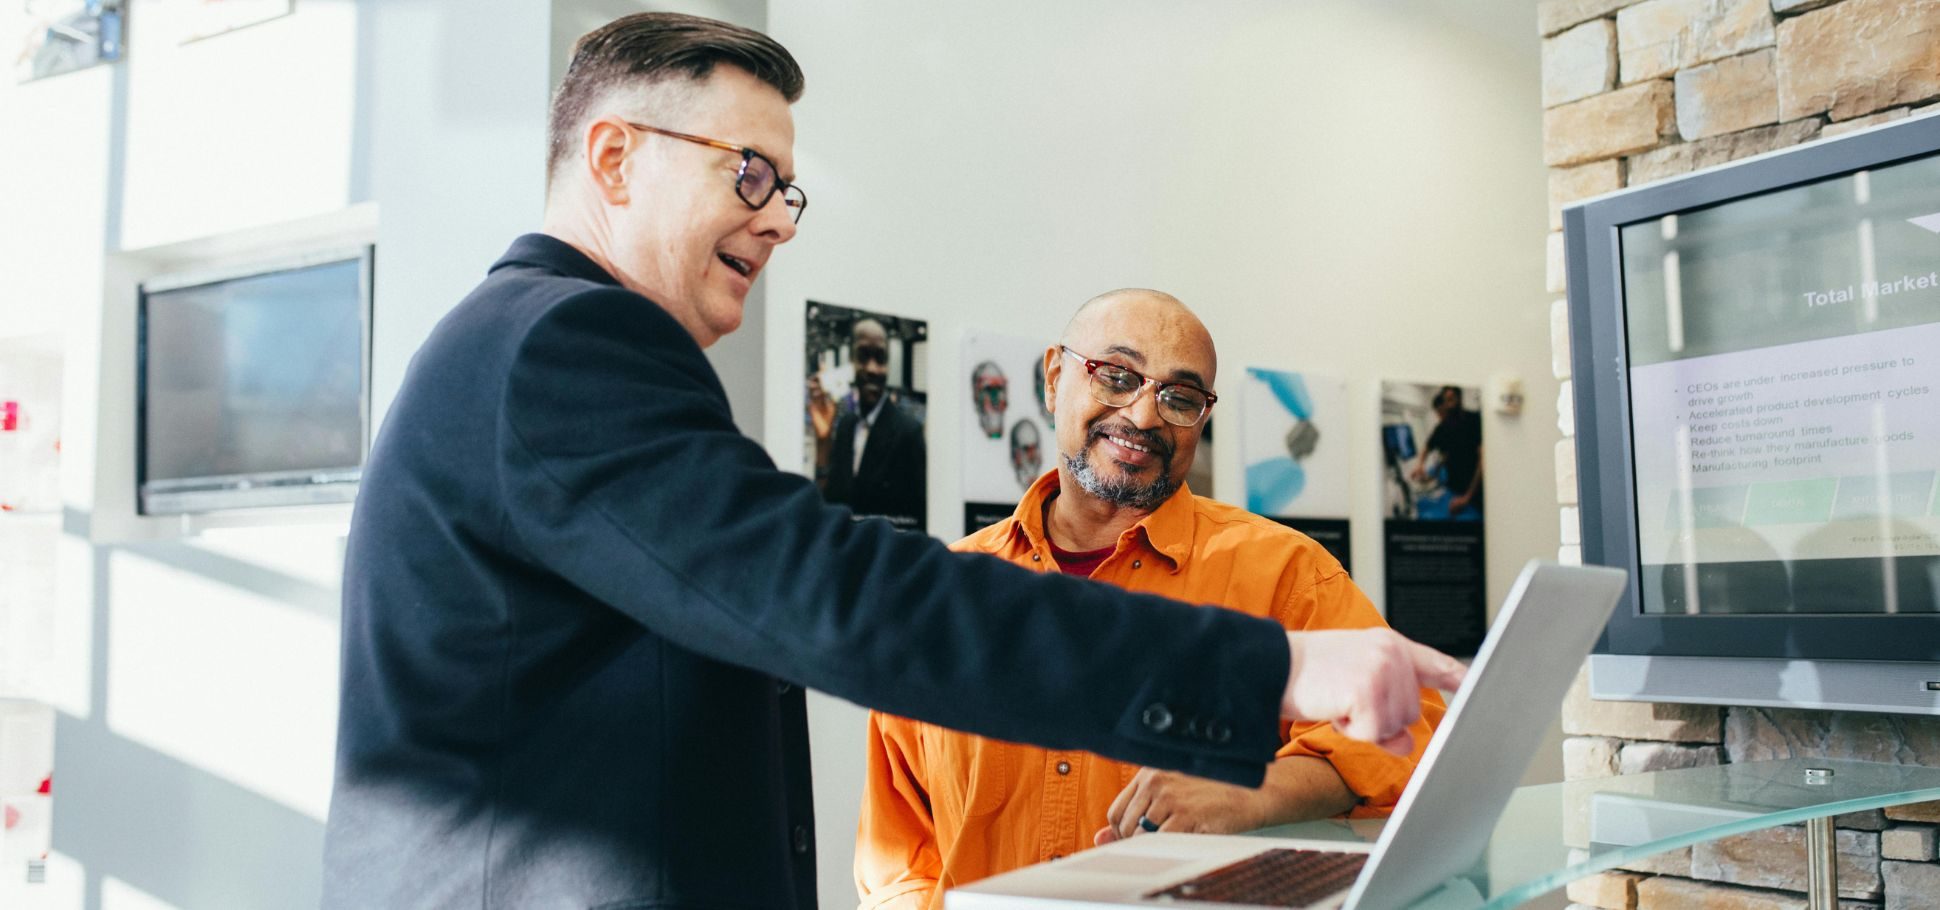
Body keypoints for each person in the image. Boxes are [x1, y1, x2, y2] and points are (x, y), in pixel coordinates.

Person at [322, 13, 1465, 910]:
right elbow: (835, 596)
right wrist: (1263, 671)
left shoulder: (527, 344)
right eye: (749, 173)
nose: (778, 219)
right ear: (614, 158)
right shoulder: (564, 342)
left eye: (787, 187)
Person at [855, 291, 1449, 909]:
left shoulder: (1285, 573)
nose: (1143, 416)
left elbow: (1410, 742)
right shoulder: (945, 594)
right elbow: (899, 856)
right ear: (1056, 377)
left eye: (1180, 396)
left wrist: (1253, 790)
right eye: (1117, 377)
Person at [812, 317, 927, 529]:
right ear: (851, 361)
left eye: (880, 359)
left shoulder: (908, 432)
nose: (872, 368)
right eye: (863, 356)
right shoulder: (846, 426)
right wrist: (823, 441)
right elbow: (829, 503)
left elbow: (917, 523)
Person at [1411, 385, 1483, 519]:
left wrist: (1467, 497)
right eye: (1446, 400)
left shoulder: (1474, 419)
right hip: (1453, 489)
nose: (1448, 405)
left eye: (1451, 399)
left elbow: (1482, 461)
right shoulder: (1444, 426)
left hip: (1474, 492)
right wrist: (1420, 464)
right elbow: (1429, 446)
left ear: (1459, 399)